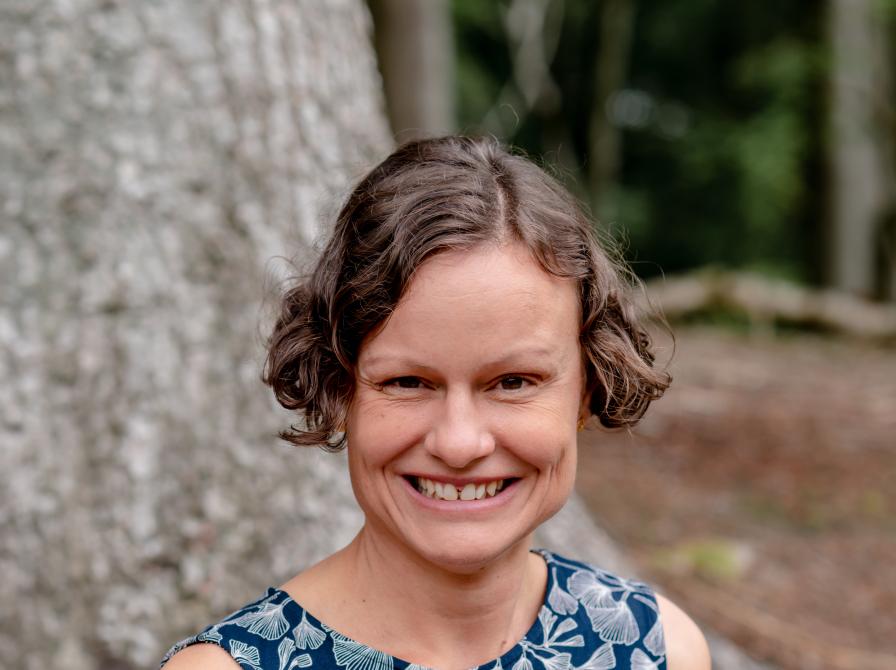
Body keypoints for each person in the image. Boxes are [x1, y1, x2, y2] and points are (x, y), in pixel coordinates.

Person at [161, 136, 711, 670]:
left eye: (513, 382)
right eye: (407, 382)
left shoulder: (658, 651)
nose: (459, 443)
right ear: (338, 387)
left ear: (588, 390)